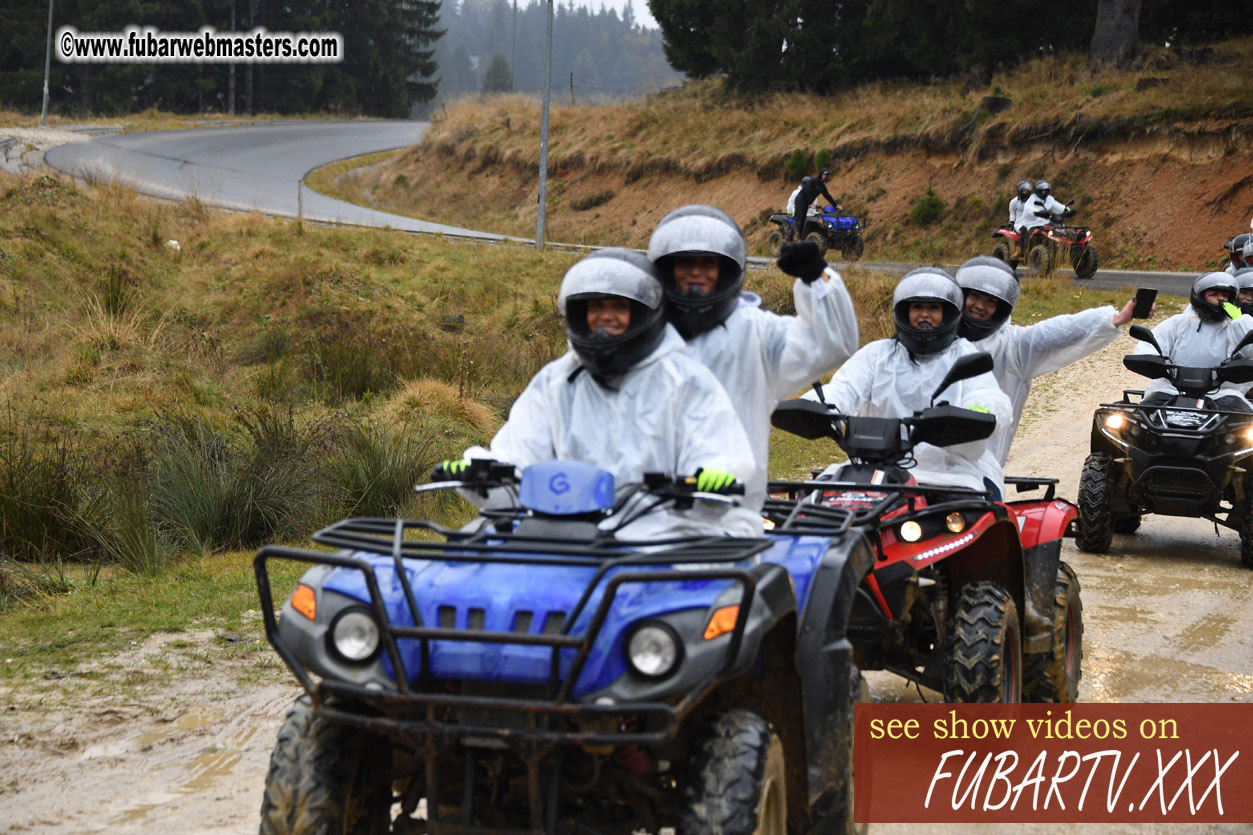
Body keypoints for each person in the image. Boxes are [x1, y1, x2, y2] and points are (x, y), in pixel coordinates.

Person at [435, 248, 762, 539]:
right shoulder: (557, 380)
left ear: (644, 313)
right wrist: (482, 474)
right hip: (565, 534)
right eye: (596, 306)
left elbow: (718, 451)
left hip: (660, 538)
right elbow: (519, 456)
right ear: (581, 314)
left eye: (619, 306)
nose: (606, 315)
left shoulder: (685, 380)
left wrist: (712, 479)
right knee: (471, 554)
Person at [646, 205, 859, 512]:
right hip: (645, 512)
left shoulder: (755, 332)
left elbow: (832, 343)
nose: (696, 271)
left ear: (727, 269)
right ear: (666, 269)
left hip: (731, 515)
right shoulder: (642, 333)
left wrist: (816, 277)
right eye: (685, 263)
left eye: (708, 263)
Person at [805, 268, 1014, 497]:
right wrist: (816, 405)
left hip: (951, 469)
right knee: (814, 500)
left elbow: (986, 394)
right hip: (875, 467)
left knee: (982, 511)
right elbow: (844, 389)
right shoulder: (877, 354)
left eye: (934, 308)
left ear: (949, 313)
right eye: (917, 307)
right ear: (904, 311)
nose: (925, 315)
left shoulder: (964, 355)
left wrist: (977, 412)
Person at [955, 255, 1137, 464]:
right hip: (926, 465)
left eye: (990, 301)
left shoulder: (1013, 348)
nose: (980, 306)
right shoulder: (938, 340)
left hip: (982, 467)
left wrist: (1111, 320)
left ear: (1001, 307)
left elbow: (1057, 332)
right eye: (975, 296)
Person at [1136, 272, 1253, 413]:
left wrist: (1240, 320)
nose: (1221, 299)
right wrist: (1150, 359)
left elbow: (1249, 351)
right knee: (1139, 419)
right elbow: (1151, 345)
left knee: (1244, 424)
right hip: (1172, 389)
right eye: (1215, 295)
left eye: (1225, 296)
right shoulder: (1179, 322)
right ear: (1201, 297)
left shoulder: (1234, 326)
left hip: (1222, 392)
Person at [1007, 180, 1046, 269]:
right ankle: (1019, 250)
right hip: (1019, 223)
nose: (1026, 192)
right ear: (1020, 191)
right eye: (1024, 190)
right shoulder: (1014, 202)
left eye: (1027, 190)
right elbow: (1012, 213)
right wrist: (1011, 222)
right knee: (1024, 229)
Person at [792, 168, 839, 241]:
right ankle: (797, 237)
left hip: (807, 202)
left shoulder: (822, 186)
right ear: (821, 174)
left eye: (826, 175)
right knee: (800, 219)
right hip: (801, 200)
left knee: (807, 218)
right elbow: (807, 193)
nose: (825, 176)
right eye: (824, 175)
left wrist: (836, 205)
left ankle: (803, 238)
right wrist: (810, 203)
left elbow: (827, 196)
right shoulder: (813, 181)